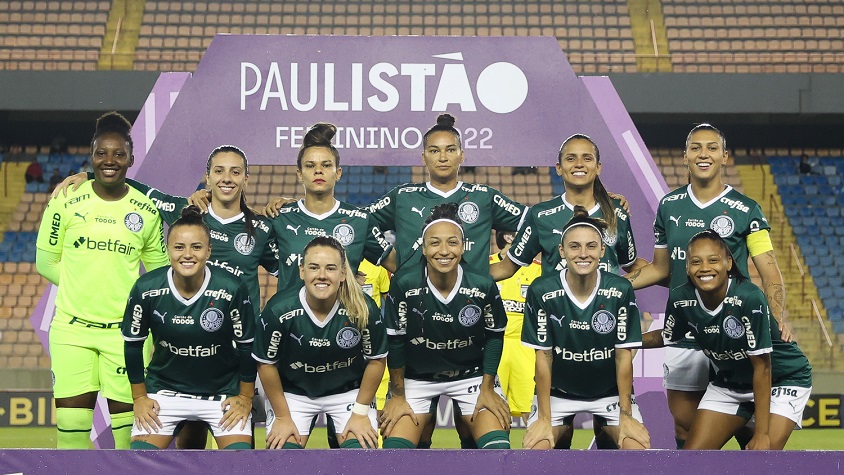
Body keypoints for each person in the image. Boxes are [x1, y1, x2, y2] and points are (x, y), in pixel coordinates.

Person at [55, 144, 279, 448]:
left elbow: (292, 268)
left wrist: (288, 206)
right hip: (181, 356)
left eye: (235, 172)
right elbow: (143, 191)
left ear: (246, 179)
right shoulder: (186, 212)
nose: (227, 178)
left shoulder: (262, 228)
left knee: (233, 454)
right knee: (189, 446)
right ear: (207, 177)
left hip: (233, 360)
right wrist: (92, 175)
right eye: (219, 171)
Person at [625, 123, 792, 449]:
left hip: (734, 333)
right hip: (686, 332)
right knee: (687, 432)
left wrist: (772, 321)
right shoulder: (669, 206)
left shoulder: (747, 210)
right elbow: (661, 269)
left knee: (751, 429)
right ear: (685, 156)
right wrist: (616, 285)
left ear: (724, 156)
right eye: (696, 148)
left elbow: (770, 273)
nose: (704, 154)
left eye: (712, 148)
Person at [35, 111, 169, 449]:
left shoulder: (146, 210)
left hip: (125, 335)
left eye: (118, 154)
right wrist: (83, 284)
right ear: (91, 156)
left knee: (129, 431)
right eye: (101, 153)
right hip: (71, 330)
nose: (109, 160)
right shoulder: (65, 199)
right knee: (72, 425)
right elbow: (45, 260)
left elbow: (158, 276)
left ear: (131, 159)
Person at [640, 230, 812, 449]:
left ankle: (749, 429)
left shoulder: (748, 297)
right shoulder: (681, 298)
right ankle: (743, 425)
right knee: (690, 461)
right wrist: (622, 340)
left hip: (782, 378)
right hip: (730, 382)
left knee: (761, 455)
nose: (704, 268)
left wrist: (761, 434)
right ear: (687, 267)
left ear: (728, 263)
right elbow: (666, 335)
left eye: (713, 260)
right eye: (696, 261)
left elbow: (763, 367)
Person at [122, 206, 257, 450]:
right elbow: (132, 346)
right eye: (179, 247)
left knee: (241, 465)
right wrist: (140, 397)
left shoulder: (231, 288)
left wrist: (246, 397)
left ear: (209, 251)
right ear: (168, 250)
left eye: (196, 247)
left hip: (222, 393)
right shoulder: (146, 288)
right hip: (165, 392)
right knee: (139, 464)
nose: (188, 254)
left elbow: (247, 346)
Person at [379, 203, 511, 449]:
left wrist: (487, 387)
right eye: (435, 242)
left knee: (498, 451)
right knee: (394, 456)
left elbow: (495, 336)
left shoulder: (482, 284)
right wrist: (398, 396)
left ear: (462, 247)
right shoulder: (404, 283)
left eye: (452, 242)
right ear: (424, 248)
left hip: (470, 376)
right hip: (416, 378)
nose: (444, 251)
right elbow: (395, 341)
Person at [522, 207, 650, 450]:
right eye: (574, 246)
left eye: (591, 246)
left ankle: (610, 428)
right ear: (562, 251)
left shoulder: (620, 290)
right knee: (536, 451)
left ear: (602, 250)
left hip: (610, 393)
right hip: (558, 394)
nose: (583, 254)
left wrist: (626, 415)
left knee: (637, 451)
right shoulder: (541, 290)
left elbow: (624, 357)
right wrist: (545, 419)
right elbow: (544, 356)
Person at [253, 236, 387, 449]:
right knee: (283, 461)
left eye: (331, 268)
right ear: (301, 271)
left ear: (343, 273)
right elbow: (266, 363)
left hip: (349, 392)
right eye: (314, 267)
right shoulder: (279, 309)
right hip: (293, 393)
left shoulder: (363, 308)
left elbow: (376, 360)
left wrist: (360, 413)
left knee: (361, 460)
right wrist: (282, 417)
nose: (322, 276)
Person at [491, 133, 645, 280]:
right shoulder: (540, 215)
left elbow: (631, 265)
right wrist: (468, 279)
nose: (579, 164)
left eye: (587, 158)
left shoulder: (616, 212)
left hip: (605, 308)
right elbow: (507, 268)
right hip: (557, 307)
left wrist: (666, 275)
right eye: (571, 159)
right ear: (558, 168)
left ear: (598, 167)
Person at [268, 123, 393, 291]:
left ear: (338, 173)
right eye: (310, 165)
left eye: (326, 165)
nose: (318, 171)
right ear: (299, 173)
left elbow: (400, 266)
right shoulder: (279, 218)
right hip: (291, 316)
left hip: (344, 316)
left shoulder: (360, 220)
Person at [489, 231, 541, 423]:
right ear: (510, 237)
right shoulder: (486, 265)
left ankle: (537, 453)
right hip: (494, 345)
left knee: (531, 409)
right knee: (494, 410)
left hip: (525, 347)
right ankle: (496, 451)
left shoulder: (538, 269)